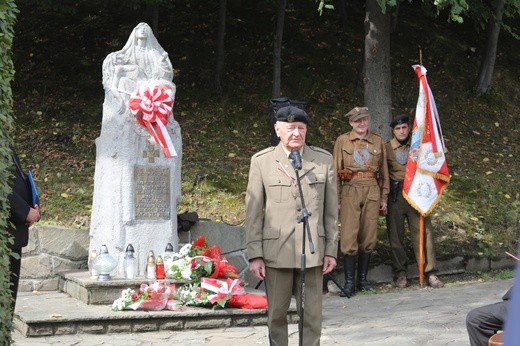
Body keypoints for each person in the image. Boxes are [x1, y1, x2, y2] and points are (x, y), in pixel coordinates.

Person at [246, 106, 338, 346]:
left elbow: (331, 211)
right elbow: (254, 212)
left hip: (312, 251)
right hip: (277, 253)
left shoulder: (323, 160)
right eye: (290, 128)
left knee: (312, 317)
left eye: (301, 128)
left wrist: (331, 250)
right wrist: (255, 254)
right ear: (278, 130)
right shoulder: (262, 162)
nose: (296, 133)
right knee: (276, 316)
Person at [332, 106, 389, 297]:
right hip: (350, 189)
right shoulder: (342, 141)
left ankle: (362, 280)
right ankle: (349, 283)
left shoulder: (378, 141)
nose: (361, 123)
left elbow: (385, 173)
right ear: (351, 123)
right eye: (357, 121)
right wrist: (337, 198)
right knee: (349, 236)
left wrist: (384, 197)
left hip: (372, 189)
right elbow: (334, 172)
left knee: (369, 235)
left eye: (364, 119)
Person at [385, 114, 444, 288]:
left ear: (409, 128)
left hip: (418, 193)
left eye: (404, 127)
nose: (401, 131)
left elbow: (434, 160)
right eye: (397, 128)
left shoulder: (420, 145)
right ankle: (401, 272)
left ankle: (429, 272)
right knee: (396, 236)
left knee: (424, 232)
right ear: (393, 130)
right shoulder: (386, 148)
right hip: (396, 195)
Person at [6, 147, 40, 322]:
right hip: (6, 233)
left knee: (9, 297)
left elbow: (20, 179)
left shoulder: (8, 146)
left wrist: (34, 204)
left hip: (14, 234)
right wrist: (23, 210)